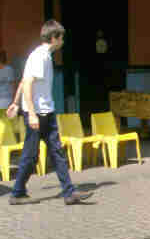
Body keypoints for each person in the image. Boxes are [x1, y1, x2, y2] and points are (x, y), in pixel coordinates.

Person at [6, 19, 92, 205]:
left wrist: (14, 103)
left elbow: (23, 80)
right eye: (61, 38)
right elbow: (28, 83)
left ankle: (69, 192)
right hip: (38, 114)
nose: (63, 41)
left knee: (57, 151)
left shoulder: (45, 56)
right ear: (54, 38)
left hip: (47, 112)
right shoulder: (40, 57)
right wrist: (32, 114)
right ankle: (17, 193)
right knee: (31, 156)